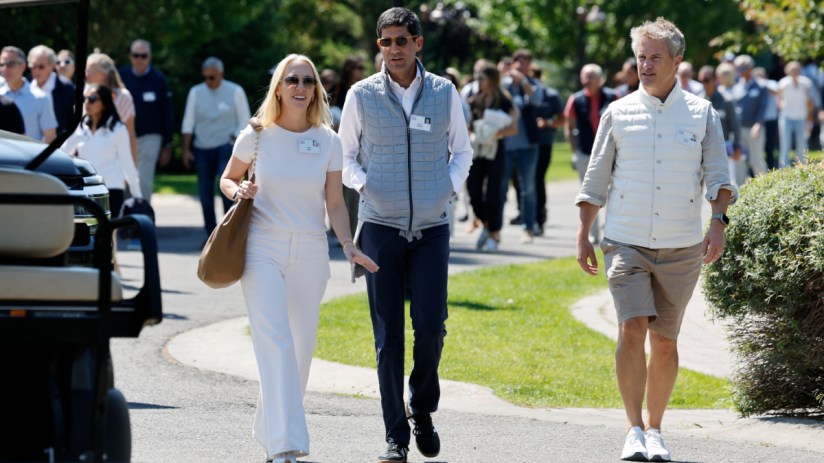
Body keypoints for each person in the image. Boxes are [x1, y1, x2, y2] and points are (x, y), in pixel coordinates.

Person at [575, 18, 736, 462]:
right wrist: (584, 235)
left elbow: (719, 177)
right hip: (625, 240)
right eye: (640, 57)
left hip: (682, 245)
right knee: (632, 328)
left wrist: (717, 222)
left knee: (664, 340)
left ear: (676, 62)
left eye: (654, 57)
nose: (645, 65)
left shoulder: (702, 113)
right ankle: (632, 430)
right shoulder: (618, 112)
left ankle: (656, 430)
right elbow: (595, 179)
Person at [220, 53, 378, 463]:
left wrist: (348, 245)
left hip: (310, 250)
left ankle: (267, 427)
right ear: (278, 86)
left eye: (308, 81)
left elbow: (335, 203)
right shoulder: (255, 134)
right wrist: (238, 192)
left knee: (300, 349)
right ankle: (286, 445)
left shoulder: (328, 139)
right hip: (261, 247)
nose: (301, 87)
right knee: (275, 341)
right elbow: (227, 177)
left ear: (316, 90)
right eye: (292, 79)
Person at [338, 7, 472, 462]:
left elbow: (462, 150)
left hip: (432, 228)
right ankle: (396, 435)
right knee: (387, 336)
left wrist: (445, 190)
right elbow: (345, 156)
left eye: (401, 40)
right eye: (385, 42)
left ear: (418, 43)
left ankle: (423, 407)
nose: (393, 49)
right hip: (379, 228)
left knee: (431, 327)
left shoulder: (443, 92)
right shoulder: (361, 94)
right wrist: (366, 185)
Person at [181, 57, 251, 237]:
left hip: (225, 148)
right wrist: (186, 149)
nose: (208, 81)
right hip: (202, 148)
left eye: (212, 77)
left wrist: (234, 139)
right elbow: (188, 122)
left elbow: (245, 119)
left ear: (221, 73)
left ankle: (229, 234)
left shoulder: (235, 91)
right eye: (205, 77)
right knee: (205, 196)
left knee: (228, 190)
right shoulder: (195, 92)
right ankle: (210, 236)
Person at [62, 84, 143, 231]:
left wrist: (137, 195)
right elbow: (63, 153)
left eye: (92, 99)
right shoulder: (80, 128)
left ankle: (113, 255)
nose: (87, 102)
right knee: (90, 232)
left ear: (104, 103)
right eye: (85, 98)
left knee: (108, 233)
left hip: (112, 188)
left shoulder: (118, 129)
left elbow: (127, 163)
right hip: (87, 188)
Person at [465, 63, 517, 251]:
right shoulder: (476, 100)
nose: (478, 81)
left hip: (496, 150)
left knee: (494, 193)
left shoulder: (504, 101)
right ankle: (487, 226)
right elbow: (470, 125)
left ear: (492, 80)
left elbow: (513, 128)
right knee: (473, 192)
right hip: (478, 151)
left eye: (482, 78)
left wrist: (495, 133)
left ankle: (494, 233)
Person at [564, 63, 617, 244]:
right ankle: (592, 232)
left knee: (613, 193)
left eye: (590, 77)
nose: (586, 81)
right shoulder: (575, 100)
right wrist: (575, 151)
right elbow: (569, 128)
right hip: (585, 153)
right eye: (584, 77)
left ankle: (610, 230)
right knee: (589, 195)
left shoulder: (612, 97)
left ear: (599, 79)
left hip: (611, 154)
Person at [119, 39, 174, 202]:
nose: (139, 59)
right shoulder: (121, 77)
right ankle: (125, 223)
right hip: (124, 136)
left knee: (143, 181)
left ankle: (143, 221)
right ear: (131, 57)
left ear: (149, 57)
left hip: (150, 137)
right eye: (136, 55)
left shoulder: (159, 80)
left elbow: (167, 113)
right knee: (124, 180)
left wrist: (167, 143)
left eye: (143, 56)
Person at [501, 49, 543, 243]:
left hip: (528, 145)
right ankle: (496, 227)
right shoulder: (505, 85)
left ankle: (528, 227)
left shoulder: (533, 84)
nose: (523, 68)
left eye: (527, 65)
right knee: (501, 186)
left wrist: (523, 81)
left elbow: (536, 99)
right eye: (520, 64)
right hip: (506, 145)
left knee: (529, 188)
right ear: (514, 64)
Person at [331, 55, 367, 236]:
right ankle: (339, 230)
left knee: (354, 193)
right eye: (357, 67)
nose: (361, 71)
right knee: (339, 190)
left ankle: (353, 232)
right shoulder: (339, 90)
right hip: (337, 144)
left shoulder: (366, 89)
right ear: (349, 69)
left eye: (362, 67)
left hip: (360, 145)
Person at [530, 63, 565, 236]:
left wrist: (547, 123)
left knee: (537, 179)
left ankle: (539, 217)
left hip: (543, 143)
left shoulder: (551, 95)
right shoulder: (522, 94)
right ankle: (526, 216)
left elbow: (562, 119)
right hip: (526, 143)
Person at [86, 53, 138, 164]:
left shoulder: (122, 97)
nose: (86, 74)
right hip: (87, 157)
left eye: (90, 70)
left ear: (104, 74)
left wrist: (133, 167)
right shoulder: (85, 95)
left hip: (114, 159)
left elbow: (130, 134)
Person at [0, 46, 57, 142]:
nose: (5, 68)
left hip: (30, 156)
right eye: (1, 64)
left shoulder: (40, 98)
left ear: (23, 66)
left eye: (10, 64)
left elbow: (50, 137)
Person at [699, 65, 742, 187]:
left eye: (707, 80)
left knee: (727, 183)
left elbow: (735, 126)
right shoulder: (698, 101)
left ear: (714, 80)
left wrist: (737, 145)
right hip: (703, 148)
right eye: (702, 81)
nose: (704, 84)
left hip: (724, 148)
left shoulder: (726, 100)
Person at [731, 54, 769, 181]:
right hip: (739, 129)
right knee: (739, 160)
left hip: (754, 129)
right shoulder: (736, 87)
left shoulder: (761, 86)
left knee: (756, 160)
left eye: (743, 67)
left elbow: (763, 108)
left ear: (750, 68)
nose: (740, 71)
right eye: (738, 68)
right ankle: (740, 191)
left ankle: (765, 187)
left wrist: (758, 125)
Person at [28, 45, 75, 135]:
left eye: (41, 67)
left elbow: (70, 121)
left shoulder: (66, 87)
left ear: (52, 66)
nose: (37, 71)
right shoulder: (26, 86)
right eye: (33, 66)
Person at [777, 60, 814, 167]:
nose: (795, 72)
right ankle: (783, 168)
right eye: (793, 70)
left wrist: (809, 118)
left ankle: (802, 167)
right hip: (786, 117)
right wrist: (781, 107)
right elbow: (779, 98)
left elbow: (809, 101)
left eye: (797, 70)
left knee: (802, 144)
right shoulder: (783, 83)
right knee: (785, 144)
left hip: (801, 117)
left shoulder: (805, 83)